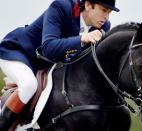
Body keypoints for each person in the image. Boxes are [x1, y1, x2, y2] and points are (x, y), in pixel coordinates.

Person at [0, 0, 119, 130]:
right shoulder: (60, 7)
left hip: (47, 64)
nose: (106, 17)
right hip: (19, 52)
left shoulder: (103, 27)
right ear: (88, 5)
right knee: (29, 85)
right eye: (103, 10)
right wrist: (82, 38)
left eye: (109, 12)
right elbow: (48, 47)